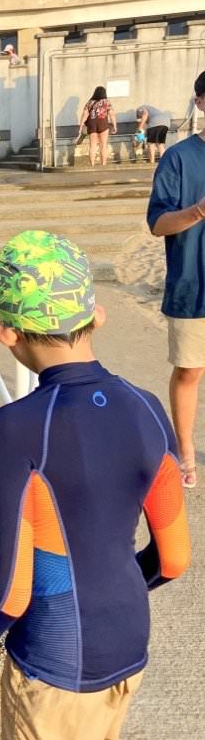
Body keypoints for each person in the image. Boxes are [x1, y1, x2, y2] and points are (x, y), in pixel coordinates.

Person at [0, 229, 191, 740]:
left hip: (57, 664)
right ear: (95, 316)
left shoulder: (14, 428)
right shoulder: (148, 408)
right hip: (129, 645)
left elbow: (11, 592)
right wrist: (113, 585)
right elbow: (174, 559)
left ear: (5, 333)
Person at [147, 69, 205, 488]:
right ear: (200, 102)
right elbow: (158, 224)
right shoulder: (179, 158)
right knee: (189, 370)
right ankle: (185, 448)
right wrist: (198, 210)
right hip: (192, 284)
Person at [78, 86, 117, 167]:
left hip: (92, 125)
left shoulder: (89, 103)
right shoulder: (106, 102)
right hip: (103, 123)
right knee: (103, 145)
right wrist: (114, 126)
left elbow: (84, 115)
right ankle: (103, 164)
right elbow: (112, 114)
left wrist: (81, 127)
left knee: (92, 146)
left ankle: (92, 164)